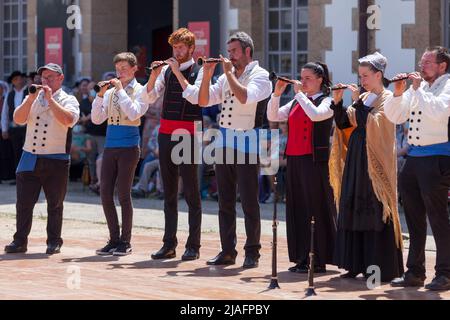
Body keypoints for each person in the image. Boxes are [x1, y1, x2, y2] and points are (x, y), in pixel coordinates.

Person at [197, 32, 273, 268]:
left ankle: (253, 252)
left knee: (249, 201)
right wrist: (207, 75)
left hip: (248, 145)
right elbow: (203, 101)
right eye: (228, 52)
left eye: (234, 52)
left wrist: (228, 73)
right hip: (223, 144)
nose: (230, 56)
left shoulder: (260, 76)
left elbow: (245, 97)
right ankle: (227, 250)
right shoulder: (225, 76)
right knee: (225, 202)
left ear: (247, 51)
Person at [330, 52, 404, 282]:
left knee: (375, 209)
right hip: (357, 159)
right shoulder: (363, 99)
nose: (361, 80)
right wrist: (337, 101)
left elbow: (377, 123)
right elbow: (344, 123)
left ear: (378, 75)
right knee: (353, 206)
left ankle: (378, 267)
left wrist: (358, 102)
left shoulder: (387, 97)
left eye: (365, 75)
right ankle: (354, 263)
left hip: (375, 161)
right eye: (360, 75)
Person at [386, 46, 450, 291]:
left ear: (442, 66)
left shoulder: (447, 85)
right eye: (421, 62)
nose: (421, 66)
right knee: (413, 217)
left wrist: (416, 89)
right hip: (414, 158)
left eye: (427, 63)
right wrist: (399, 93)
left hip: (438, 157)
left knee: (438, 217)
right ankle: (414, 271)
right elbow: (396, 117)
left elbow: (438, 111)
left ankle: (445, 273)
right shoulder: (419, 87)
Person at [267, 62, 337, 273]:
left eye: (307, 78)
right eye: (301, 77)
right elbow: (273, 116)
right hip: (295, 160)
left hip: (314, 161)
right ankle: (302, 256)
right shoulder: (298, 102)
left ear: (320, 80)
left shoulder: (328, 101)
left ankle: (319, 258)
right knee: (298, 209)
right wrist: (276, 94)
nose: (302, 81)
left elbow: (316, 115)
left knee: (315, 208)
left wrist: (299, 94)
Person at [141, 28, 204, 261]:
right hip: (166, 132)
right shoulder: (166, 71)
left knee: (190, 191)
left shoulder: (199, 71)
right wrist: (154, 76)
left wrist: (177, 72)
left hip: (188, 133)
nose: (177, 51)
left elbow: (195, 97)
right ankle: (169, 244)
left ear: (190, 49)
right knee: (168, 192)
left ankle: (193, 245)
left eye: (181, 47)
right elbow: (148, 98)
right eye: (174, 47)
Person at [4, 63, 80, 255]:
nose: (45, 81)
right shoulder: (33, 97)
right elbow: (18, 119)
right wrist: (30, 100)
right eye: (43, 78)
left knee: (55, 203)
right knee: (23, 203)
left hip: (56, 158)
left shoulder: (68, 99)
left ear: (60, 79)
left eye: (50, 78)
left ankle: (54, 241)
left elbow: (69, 120)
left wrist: (50, 100)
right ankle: (19, 240)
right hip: (29, 156)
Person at [92, 52, 148, 256]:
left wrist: (120, 90)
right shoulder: (110, 93)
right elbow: (97, 119)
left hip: (129, 147)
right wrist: (99, 96)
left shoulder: (141, 90)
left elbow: (134, 113)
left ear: (135, 69)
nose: (120, 73)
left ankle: (126, 241)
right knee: (105, 193)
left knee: (124, 194)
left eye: (124, 69)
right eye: (118, 69)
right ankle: (113, 239)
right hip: (110, 146)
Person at [1, 71, 29, 181]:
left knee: (28, 152)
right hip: (14, 128)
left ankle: (29, 177)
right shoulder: (10, 94)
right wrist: (4, 129)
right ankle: (19, 177)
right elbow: (5, 113)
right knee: (16, 152)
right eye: (16, 79)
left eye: (20, 78)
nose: (19, 81)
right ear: (12, 82)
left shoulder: (29, 92)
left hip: (27, 128)